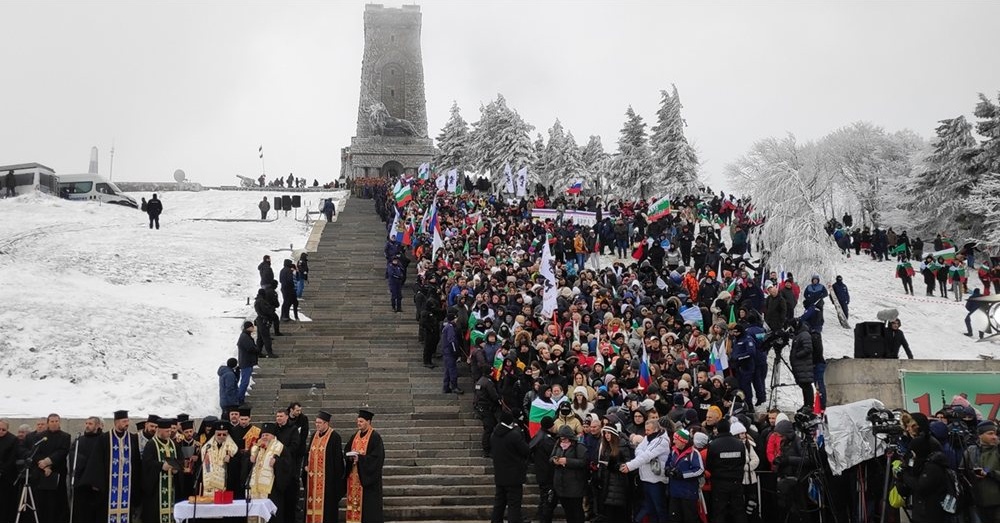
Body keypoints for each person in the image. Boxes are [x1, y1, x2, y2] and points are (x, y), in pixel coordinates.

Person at [622, 419, 671, 523]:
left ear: (656, 429)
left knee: (660, 509)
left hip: (657, 480)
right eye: (646, 430)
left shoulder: (661, 441)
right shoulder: (648, 438)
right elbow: (638, 450)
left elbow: (647, 455)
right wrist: (644, 458)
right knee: (651, 509)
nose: (646, 432)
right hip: (646, 478)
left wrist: (630, 466)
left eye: (648, 430)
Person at [344, 409, 385, 523]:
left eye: (361, 421)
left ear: (368, 421)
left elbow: (377, 459)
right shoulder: (355, 436)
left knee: (369, 512)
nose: (358, 423)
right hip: (354, 478)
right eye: (358, 421)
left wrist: (360, 459)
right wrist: (350, 457)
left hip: (367, 482)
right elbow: (347, 450)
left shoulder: (375, 437)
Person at [306, 411, 346, 523]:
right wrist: (306, 464)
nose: (317, 425)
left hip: (327, 482)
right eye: (316, 423)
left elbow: (338, 461)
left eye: (319, 423)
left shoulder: (334, 437)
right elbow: (308, 452)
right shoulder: (314, 435)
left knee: (327, 511)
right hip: (313, 481)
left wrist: (335, 480)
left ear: (326, 423)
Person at [31, 413, 72, 523]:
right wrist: (44, 466)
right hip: (42, 472)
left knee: (57, 502)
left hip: (57, 472)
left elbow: (62, 452)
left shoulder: (65, 436)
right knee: (42, 502)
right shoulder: (40, 436)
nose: (54, 423)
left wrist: (48, 462)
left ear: (59, 422)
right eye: (52, 421)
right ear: (48, 423)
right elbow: (36, 452)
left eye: (56, 421)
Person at [490, 410, 529, 523]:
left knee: (499, 504)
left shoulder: (494, 434)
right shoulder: (514, 435)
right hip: (514, 477)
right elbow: (525, 450)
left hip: (500, 475)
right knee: (514, 506)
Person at [249, 423, 293, 523]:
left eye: (267, 435)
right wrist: (250, 459)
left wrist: (277, 462)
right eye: (263, 435)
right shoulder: (257, 448)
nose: (264, 437)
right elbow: (250, 465)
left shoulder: (280, 448)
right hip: (256, 488)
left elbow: (288, 465)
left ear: (273, 436)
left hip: (272, 489)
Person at [141, 418, 183, 523]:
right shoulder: (151, 444)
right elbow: (147, 464)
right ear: (159, 430)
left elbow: (180, 461)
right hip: (156, 491)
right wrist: (161, 466)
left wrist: (177, 470)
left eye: (170, 430)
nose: (170, 433)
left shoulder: (174, 445)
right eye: (167, 431)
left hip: (172, 488)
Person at [706, 418, 747, 523]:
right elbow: (742, 462)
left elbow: (709, 465)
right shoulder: (739, 444)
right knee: (739, 511)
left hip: (719, 483)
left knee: (719, 512)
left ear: (718, 429)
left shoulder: (714, 445)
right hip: (736, 482)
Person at [594, 425, 634, 523]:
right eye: (605, 433)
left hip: (619, 485)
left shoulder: (622, 446)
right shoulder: (606, 447)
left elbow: (629, 464)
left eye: (609, 433)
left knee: (618, 515)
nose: (607, 436)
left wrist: (614, 466)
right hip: (607, 484)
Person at [963, 420, 1000, 523]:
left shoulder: (997, 450)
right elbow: (962, 471)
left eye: (995, 434)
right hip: (978, 502)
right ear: (980, 435)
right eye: (990, 433)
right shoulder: (970, 451)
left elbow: (988, 468)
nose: (994, 437)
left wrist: (989, 473)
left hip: (997, 503)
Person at [665, 428, 704, 523]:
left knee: (690, 518)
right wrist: (667, 470)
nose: (673, 441)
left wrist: (682, 475)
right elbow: (668, 463)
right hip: (674, 492)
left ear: (683, 441)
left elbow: (699, 470)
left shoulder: (694, 453)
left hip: (688, 494)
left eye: (676, 439)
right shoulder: (673, 451)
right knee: (674, 518)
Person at [550, 425, 588, 523]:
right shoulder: (557, 444)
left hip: (575, 485)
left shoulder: (579, 446)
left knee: (577, 511)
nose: (563, 441)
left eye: (565, 439)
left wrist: (567, 461)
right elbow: (551, 458)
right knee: (568, 512)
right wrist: (555, 460)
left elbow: (583, 462)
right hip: (561, 485)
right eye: (561, 439)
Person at [69, 416, 103, 523]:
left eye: (90, 424)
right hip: (80, 483)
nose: (87, 426)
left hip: (95, 485)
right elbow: (72, 455)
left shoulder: (103, 440)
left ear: (97, 426)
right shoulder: (79, 440)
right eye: (86, 423)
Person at [529, 416, 557, 523]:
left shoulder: (539, 436)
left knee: (545, 499)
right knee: (549, 501)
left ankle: (541, 517)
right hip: (547, 474)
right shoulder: (547, 440)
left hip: (542, 473)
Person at [200, 420, 238, 494]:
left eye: (224, 434)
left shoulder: (233, 447)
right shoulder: (207, 447)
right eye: (219, 434)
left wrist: (231, 460)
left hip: (226, 483)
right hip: (209, 483)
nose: (221, 437)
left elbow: (238, 464)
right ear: (214, 434)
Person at [475, 365, 500, 457]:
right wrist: (498, 401)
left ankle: (488, 447)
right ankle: (487, 449)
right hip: (487, 408)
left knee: (488, 427)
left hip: (481, 407)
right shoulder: (488, 382)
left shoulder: (480, 381)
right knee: (489, 428)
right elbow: (494, 395)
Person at [237, 321, 259, 404]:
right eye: (252, 326)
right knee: (245, 382)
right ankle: (240, 399)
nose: (253, 328)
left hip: (246, 361)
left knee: (245, 381)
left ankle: (240, 398)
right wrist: (257, 350)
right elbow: (250, 348)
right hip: (246, 362)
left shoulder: (245, 336)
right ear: (248, 327)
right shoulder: (244, 337)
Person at [441, 313, 463, 394]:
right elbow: (452, 341)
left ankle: (446, 387)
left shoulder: (447, 327)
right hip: (449, 353)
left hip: (446, 352)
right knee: (452, 370)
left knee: (447, 370)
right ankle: (454, 387)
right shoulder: (450, 328)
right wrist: (455, 352)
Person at [0, 419, 17, 522]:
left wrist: (2, 471)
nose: (1, 431)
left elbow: (12, 459)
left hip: (6, 477)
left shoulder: (13, 440)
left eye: (3, 429)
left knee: (4, 503)